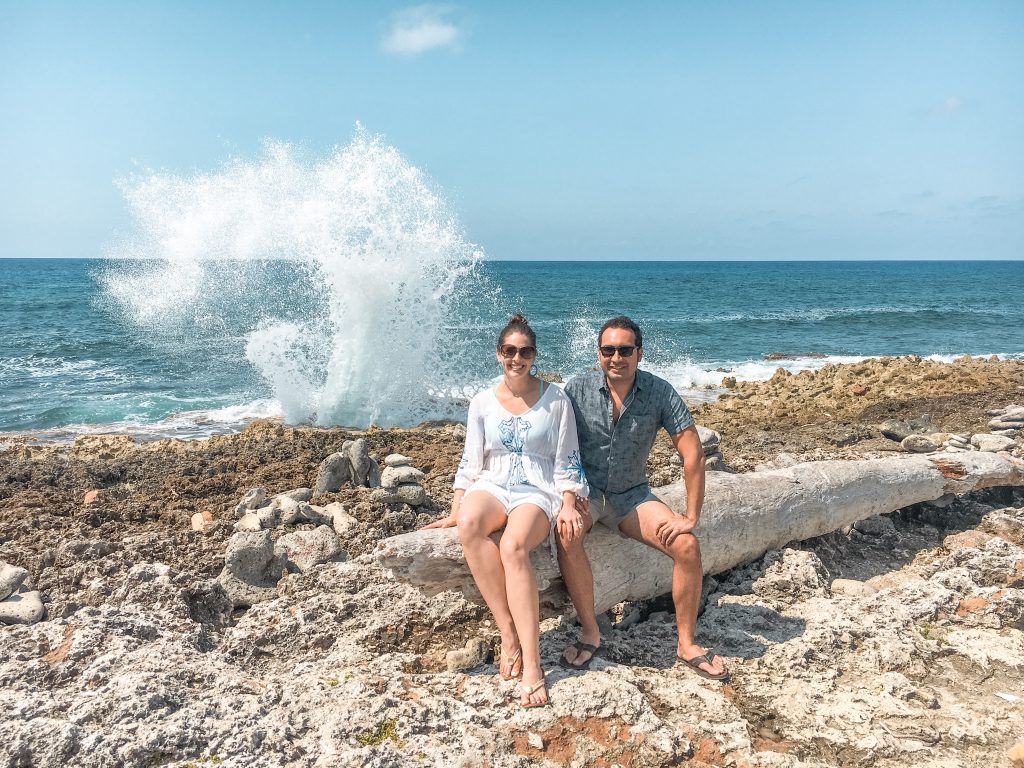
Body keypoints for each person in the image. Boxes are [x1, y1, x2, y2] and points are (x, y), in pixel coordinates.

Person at [425, 314, 590, 707]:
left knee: (514, 546)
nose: (518, 358)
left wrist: (568, 501)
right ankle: (508, 633)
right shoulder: (482, 402)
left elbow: (568, 458)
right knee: (469, 524)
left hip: (537, 489)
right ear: (499, 354)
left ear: (534, 355)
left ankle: (533, 665)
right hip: (493, 484)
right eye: (510, 351)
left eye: (526, 351)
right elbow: (470, 460)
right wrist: (455, 507)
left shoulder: (557, 400)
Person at [557, 316, 729, 680]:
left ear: (639, 353)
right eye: (608, 350)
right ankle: (591, 632)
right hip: (587, 494)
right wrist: (567, 498)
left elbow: (693, 452)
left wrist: (691, 514)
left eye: (624, 350)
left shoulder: (659, 392)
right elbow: (552, 444)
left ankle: (686, 644)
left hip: (632, 497)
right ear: (599, 353)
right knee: (567, 534)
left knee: (686, 545)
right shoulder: (577, 389)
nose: (616, 357)